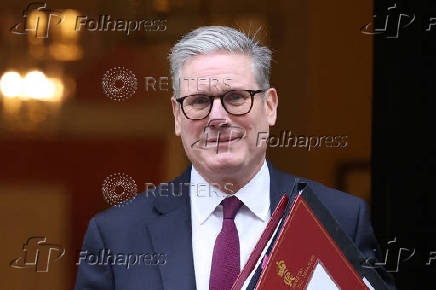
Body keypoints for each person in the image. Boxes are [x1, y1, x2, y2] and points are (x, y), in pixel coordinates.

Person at [75, 26, 395, 290]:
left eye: (236, 97)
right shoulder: (116, 235)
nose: (218, 117)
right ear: (177, 115)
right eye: (200, 101)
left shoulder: (338, 218)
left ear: (269, 106)